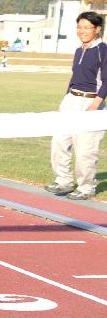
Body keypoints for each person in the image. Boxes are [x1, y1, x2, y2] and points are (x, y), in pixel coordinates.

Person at [45, 11, 107, 201]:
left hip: (90, 102)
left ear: (97, 29)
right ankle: (63, 180)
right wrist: (66, 99)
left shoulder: (102, 50)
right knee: (59, 142)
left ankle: (86, 187)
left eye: (87, 27)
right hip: (71, 100)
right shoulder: (79, 50)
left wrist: (96, 104)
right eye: (79, 27)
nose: (82, 31)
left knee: (84, 149)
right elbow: (75, 77)